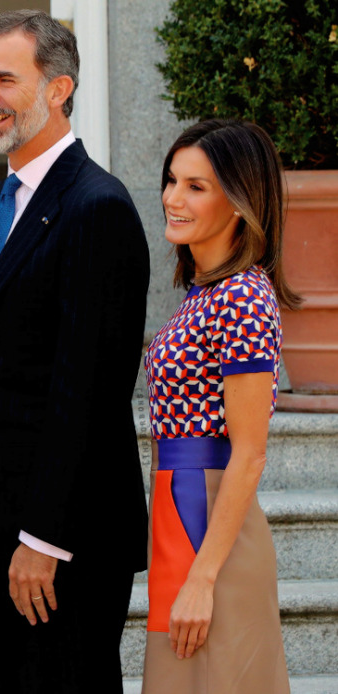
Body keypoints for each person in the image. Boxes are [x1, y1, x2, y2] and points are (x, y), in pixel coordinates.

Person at [0, 10, 150, 694]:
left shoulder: (98, 207)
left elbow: (87, 387)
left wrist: (44, 540)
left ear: (58, 89)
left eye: (4, 77)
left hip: (64, 540)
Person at [142, 119, 300, 693]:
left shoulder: (242, 297)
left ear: (239, 203)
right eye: (172, 180)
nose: (172, 198)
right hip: (179, 514)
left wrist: (203, 578)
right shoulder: (204, 293)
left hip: (208, 525)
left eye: (196, 186)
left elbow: (251, 452)